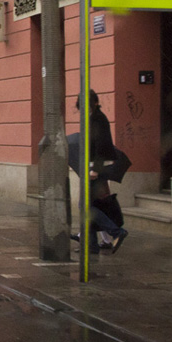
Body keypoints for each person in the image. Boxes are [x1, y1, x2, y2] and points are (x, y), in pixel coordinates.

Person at [73, 90, 129, 254]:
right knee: (89, 205)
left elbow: (102, 146)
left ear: (95, 103)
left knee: (85, 206)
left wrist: (95, 170)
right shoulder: (93, 118)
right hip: (92, 166)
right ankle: (91, 245)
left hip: (97, 167)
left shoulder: (98, 119)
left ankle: (116, 232)